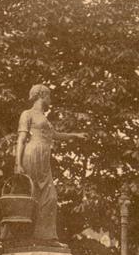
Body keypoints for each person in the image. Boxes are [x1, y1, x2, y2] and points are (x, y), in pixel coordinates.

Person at [15, 84, 87, 245]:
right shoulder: (27, 114)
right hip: (32, 155)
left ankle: (44, 237)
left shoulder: (44, 118)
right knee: (32, 194)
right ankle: (28, 237)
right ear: (41, 95)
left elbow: (55, 135)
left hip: (44, 159)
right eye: (49, 96)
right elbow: (20, 139)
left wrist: (74, 135)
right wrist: (17, 163)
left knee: (50, 197)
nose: (50, 100)